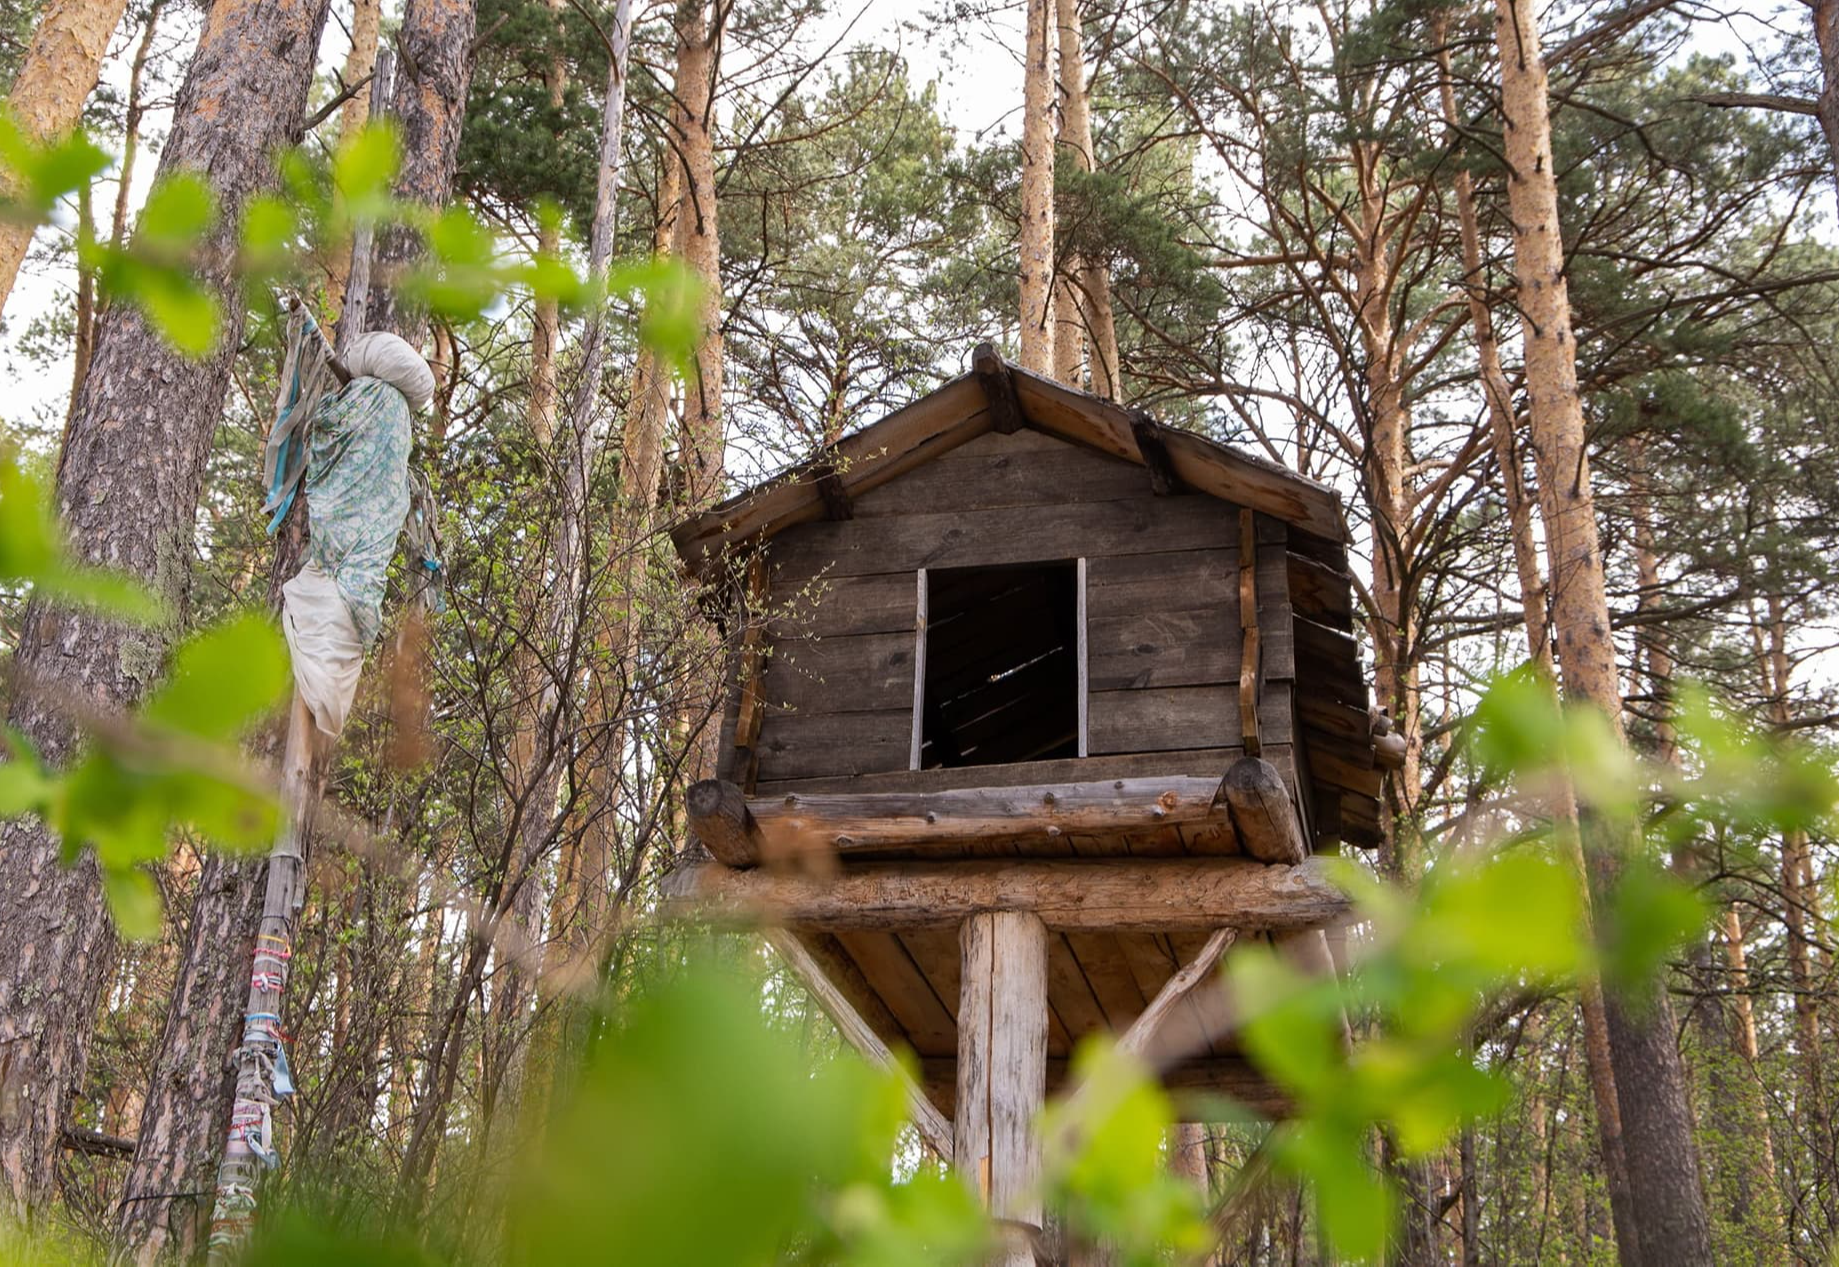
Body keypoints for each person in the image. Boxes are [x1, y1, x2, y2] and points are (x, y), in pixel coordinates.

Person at [263, 312, 436, 737]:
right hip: (366, 574)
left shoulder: (369, 396)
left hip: (342, 552)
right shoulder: (402, 422)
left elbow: (324, 426)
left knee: (322, 597)